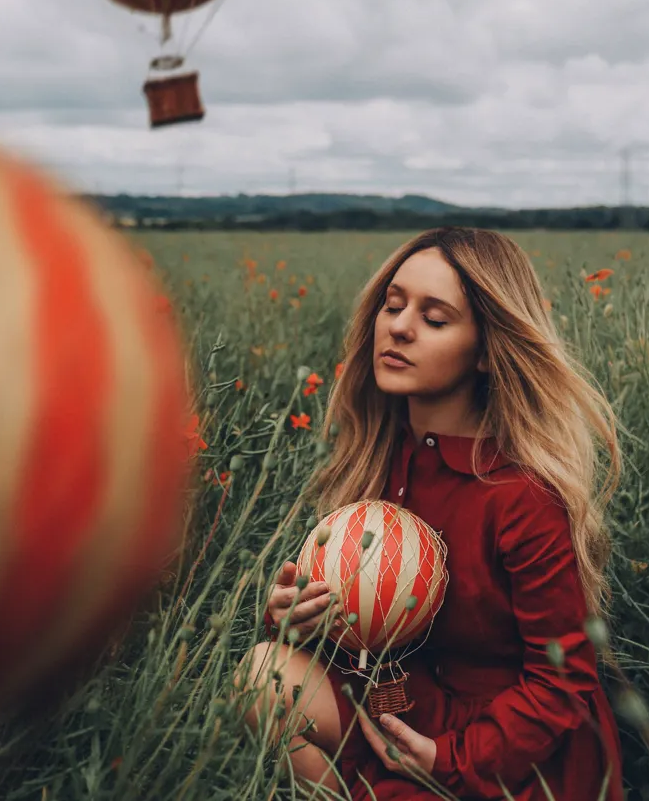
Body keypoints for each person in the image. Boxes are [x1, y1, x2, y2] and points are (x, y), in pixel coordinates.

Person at [237, 227, 625, 800]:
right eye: (392, 306)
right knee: (262, 673)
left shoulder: (521, 495)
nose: (399, 326)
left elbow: (562, 682)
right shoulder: (379, 459)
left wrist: (449, 759)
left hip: (504, 753)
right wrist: (301, 620)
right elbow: (369, 630)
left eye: (435, 319)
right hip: (400, 707)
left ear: (490, 351)